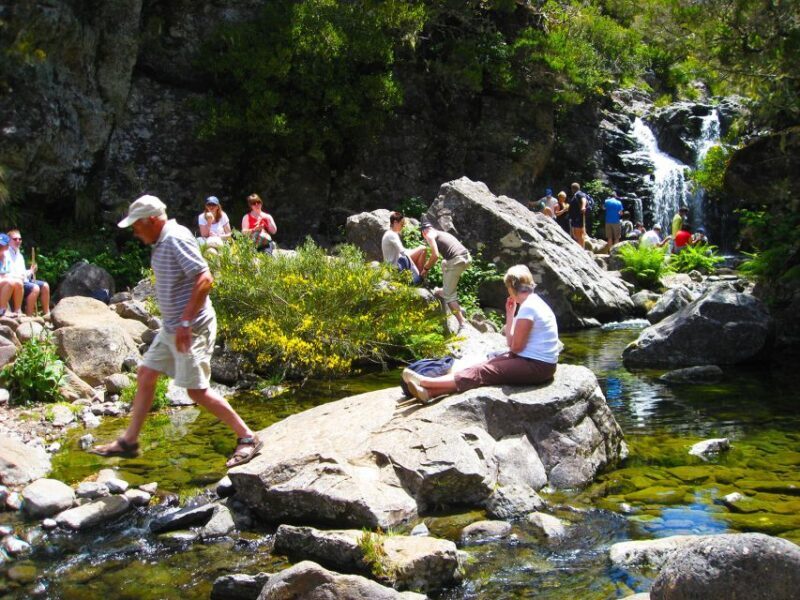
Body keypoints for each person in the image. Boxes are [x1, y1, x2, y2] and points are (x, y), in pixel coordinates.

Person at [90, 195, 263, 468]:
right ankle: (129, 442)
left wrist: (185, 322)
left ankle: (248, 437)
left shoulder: (175, 238)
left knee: (196, 392)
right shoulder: (161, 241)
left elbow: (205, 279)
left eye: (137, 225)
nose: (135, 231)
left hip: (192, 328)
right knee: (146, 374)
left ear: (152, 220)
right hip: (173, 327)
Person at [402, 264, 559, 403]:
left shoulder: (528, 308)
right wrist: (510, 314)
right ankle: (430, 392)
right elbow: (513, 346)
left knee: (483, 371)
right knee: (486, 363)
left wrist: (512, 319)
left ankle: (427, 383)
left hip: (537, 367)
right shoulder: (532, 302)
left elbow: (514, 347)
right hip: (532, 361)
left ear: (511, 287)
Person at [419, 222, 471, 331]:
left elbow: (435, 256)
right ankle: (445, 289)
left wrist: (425, 269)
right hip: (466, 258)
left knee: (449, 296)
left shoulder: (429, 235)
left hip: (457, 261)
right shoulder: (440, 232)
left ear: (423, 232)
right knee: (444, 263)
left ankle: (462, 323)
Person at [7, 229, 50, 316]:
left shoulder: (19, 255)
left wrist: (31, 271)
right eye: (15, 239)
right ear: (8, 241)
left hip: (24, 280)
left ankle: (47, 314)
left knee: (45, 286)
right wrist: (27, 273)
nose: (18, 241)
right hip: (15, 282)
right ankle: (29, 316)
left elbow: (23, 273)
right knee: (35, 288)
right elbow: (10, 273)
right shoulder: (6, 254)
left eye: (20, 239)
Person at [382, 212, 426, 284]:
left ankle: (418, 278)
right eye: (402, 224)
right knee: (422, 249)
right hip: (395, 268)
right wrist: (415, 270)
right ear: (395, 222)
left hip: (391, 265)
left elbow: (401, 251)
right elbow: (404, 253)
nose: (403, 227)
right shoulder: (392, 235)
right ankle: (419, 279)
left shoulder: (389, 233)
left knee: (421, 250)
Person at [0, 233, 23, 318]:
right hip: (3, 281)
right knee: (9, 282)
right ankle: (2, 310)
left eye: (1, 246)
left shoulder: (6, 258)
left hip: (3, 280)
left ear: (6, 246)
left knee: (18, 283)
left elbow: (7, 272)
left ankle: (18, 311)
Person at [568, 182, 588, 248]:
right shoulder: (576, 195)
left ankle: (582, 250)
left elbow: (584, 199)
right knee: (577, 235)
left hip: (578, 217)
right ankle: (581, 248)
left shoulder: (579, 193)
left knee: (579, 234)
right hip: (576, 217)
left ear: (573, 189)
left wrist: (583, 207)